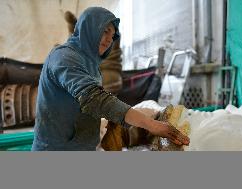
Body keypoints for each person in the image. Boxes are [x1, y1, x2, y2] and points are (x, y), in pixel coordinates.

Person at [31, 7, 189, 151]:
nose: (108, 39)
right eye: (105, 31)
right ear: (88, 28)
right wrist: (152, 124)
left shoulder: (92, 65)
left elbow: (95, 104)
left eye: (112, 35)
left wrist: (115, 119)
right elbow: (94, 99)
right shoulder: (63, 56)